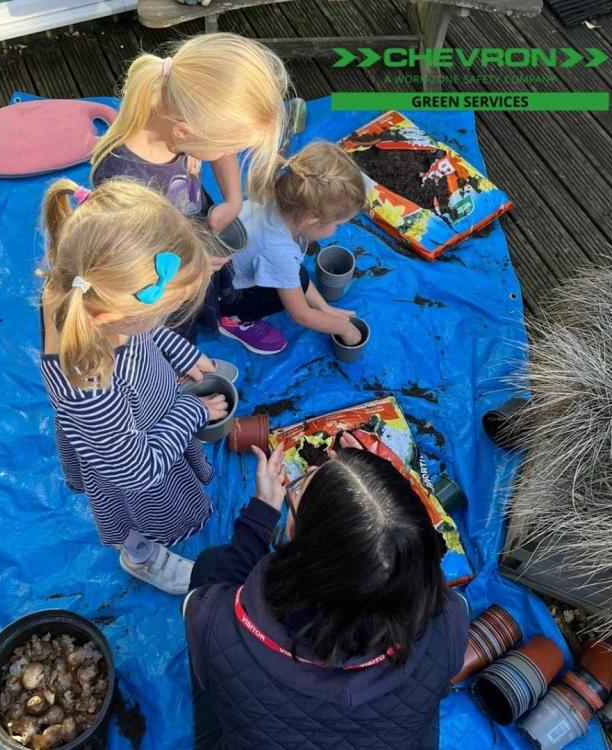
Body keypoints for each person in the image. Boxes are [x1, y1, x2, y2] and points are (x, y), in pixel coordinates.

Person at [183, 433, 470, 749]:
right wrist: (380, 502)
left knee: (210, 565)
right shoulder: (449, 620)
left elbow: (210, 602)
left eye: (300, 493)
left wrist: (260, 516)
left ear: (300, 543)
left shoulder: (215, 621)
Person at [39, 178, 228, 595]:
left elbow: (145, 328)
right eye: (164, 310)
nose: (166, 317)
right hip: (132, 467)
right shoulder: (91, 387)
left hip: (150, 416)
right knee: (132, 515)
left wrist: (180, 353)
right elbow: (137, 471)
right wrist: (192, 411)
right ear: (111, 315)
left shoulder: (83, 289)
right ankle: (140, 554)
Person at [90, 33, 289, 341]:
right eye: (230, 143)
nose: (231, 150)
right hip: (163, 276)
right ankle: (180, 370)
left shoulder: (175, 120)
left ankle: (224, 317)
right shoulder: (122, 181)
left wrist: (234, 200)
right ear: (184, 133)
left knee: (211, 291)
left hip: (192, 229)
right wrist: (188, 268)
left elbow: (220, 151)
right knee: (178, 329)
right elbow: (132, 265)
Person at [218, 141, 367, 355]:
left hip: (221, 270)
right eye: (337, 225)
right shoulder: (279, 251)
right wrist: (343, 327)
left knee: (298, 276)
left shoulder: (278, 200)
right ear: (311, 221)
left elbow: (296, 274)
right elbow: (301, 315)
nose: (336, 231)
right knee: (287, 289)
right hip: (221, 295)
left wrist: (325, 309)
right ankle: (231, 321)